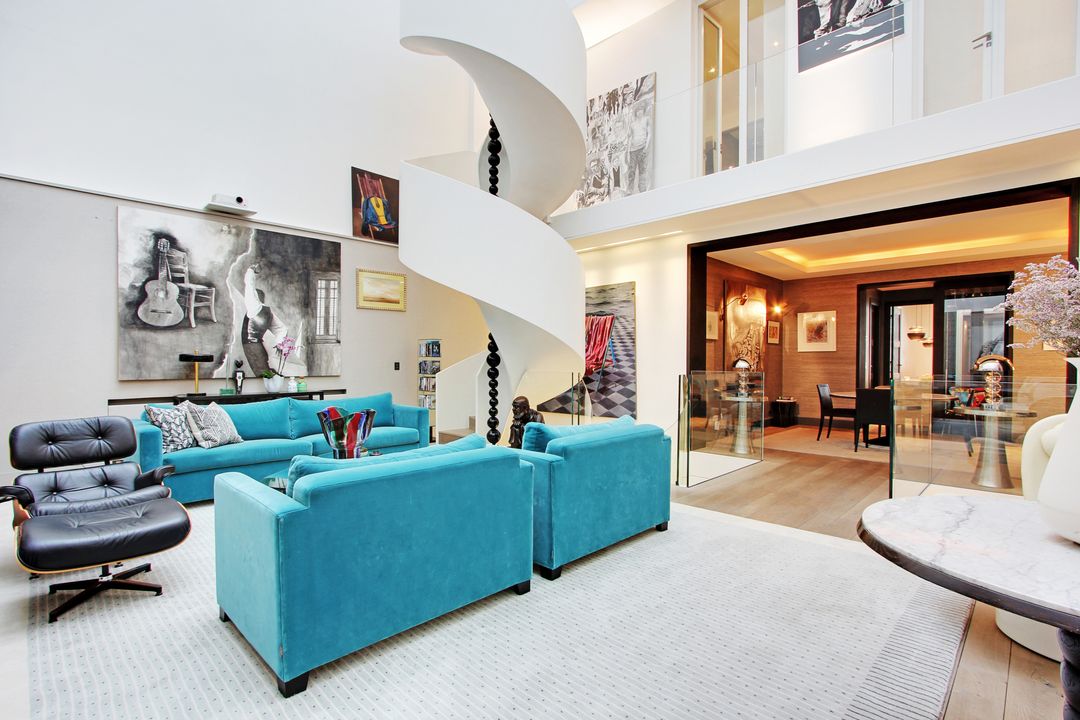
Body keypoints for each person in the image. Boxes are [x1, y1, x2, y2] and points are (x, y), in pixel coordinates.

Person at [241, 265, 287, 377]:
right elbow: (281, 328)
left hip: (251, 346)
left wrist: (251, 271)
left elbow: (249, 285)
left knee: (263, 374)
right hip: (259, 346)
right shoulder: (268, 312)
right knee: (265, 371)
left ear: (256, 297)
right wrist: (280, 344)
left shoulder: (254, 307)